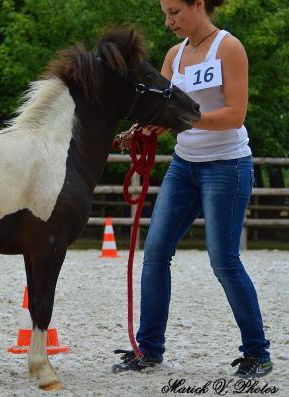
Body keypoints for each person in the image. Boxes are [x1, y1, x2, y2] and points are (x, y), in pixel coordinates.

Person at [112, 0, 273, 377]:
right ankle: (149, 349)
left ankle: (257, 352)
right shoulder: (175, 55)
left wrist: (179, 120)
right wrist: (144, 127)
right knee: (155, 255)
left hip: (227, 166)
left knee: (224, 261)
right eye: (165, 13)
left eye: (174, 12)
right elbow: (161, 107)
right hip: (185, 167)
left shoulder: (228, 48)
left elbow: (235, 115)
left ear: (198, 5)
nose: (168, 21)